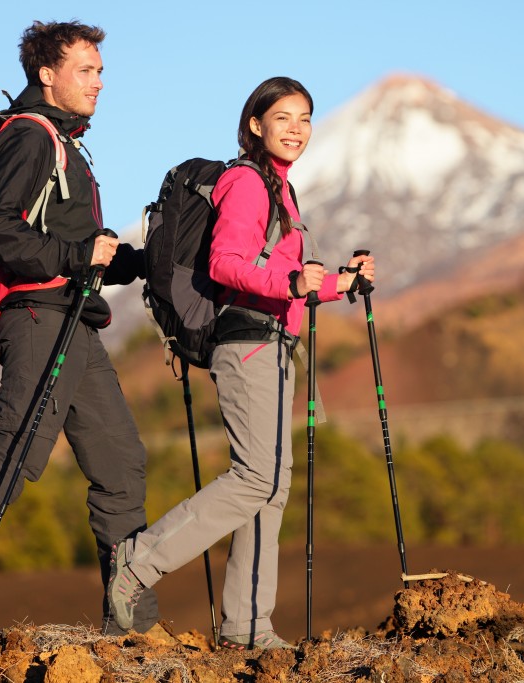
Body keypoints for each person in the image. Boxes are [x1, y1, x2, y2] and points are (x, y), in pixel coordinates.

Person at [0, 20, 168, 640]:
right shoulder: (30, 137)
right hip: (41, 320)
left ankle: (132, 623)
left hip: (76, 324)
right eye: (86, 70)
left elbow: (79, 248)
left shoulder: (67, 145)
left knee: (121, 463)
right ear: (47, 75)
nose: (100, 81)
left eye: (100, 70)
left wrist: (141, 259)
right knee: (13, 456)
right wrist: (78, 259)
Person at [106, 76, 375, 649]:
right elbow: (228, 264)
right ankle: (137, 563)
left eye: (305, 118)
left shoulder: (283, 193)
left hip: (275, 343)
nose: (297, 129)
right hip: (248, 344)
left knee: (270, 489)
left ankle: (248, 627)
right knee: (256, 478)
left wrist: (340, 284)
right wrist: (291, 279)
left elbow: (287, 284)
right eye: (283, 118)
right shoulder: (248, 182)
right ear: (256, 125)